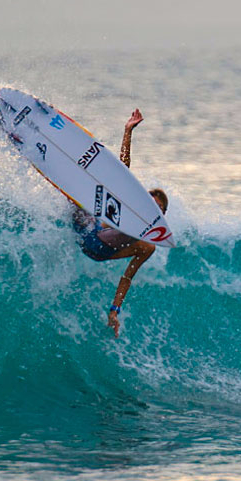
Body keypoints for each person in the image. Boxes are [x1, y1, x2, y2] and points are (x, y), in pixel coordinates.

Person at [70, 108, 169, 337]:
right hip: (88, 229)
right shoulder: (129, 209)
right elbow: (122, 172)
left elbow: (127, 278)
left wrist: (114, 311)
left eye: (157, 210)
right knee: (97, 191)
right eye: (149, 205)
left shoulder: (146, 246)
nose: (149, 210)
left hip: (96, 248)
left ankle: (74, 192)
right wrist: (128, 131)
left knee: (91, 203)